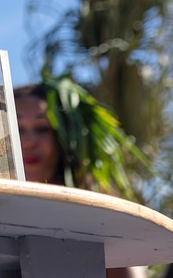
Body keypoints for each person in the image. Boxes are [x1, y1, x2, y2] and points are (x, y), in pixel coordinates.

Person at [14, 84, 146, 278]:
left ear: (65, 136)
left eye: (42, 128)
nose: (28, 141)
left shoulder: (93, 201)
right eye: (18, 129)